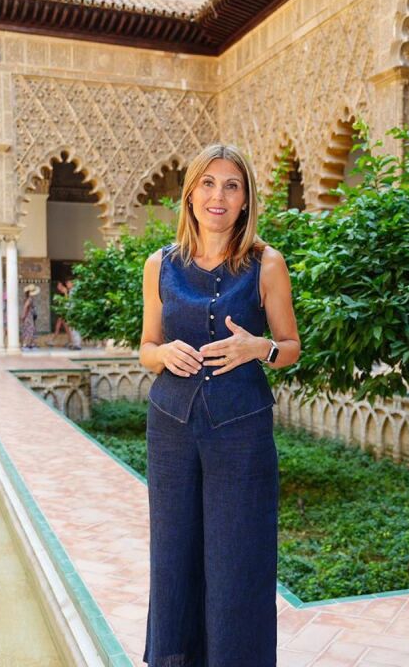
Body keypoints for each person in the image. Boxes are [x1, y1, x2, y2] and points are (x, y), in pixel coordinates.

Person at [138, 144, 300, 666]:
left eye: (232, 186)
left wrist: (259, 348)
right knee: (174, 553)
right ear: (190, 195)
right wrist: (163, 353)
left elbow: (290, 347)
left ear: (246, 199)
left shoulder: (267, 264)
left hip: (241, 431)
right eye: (208, 183)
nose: (219, 196)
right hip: (171, 427)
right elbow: (145, 348)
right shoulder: (159, 265)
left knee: (239, 555)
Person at [21, 284, 39, 350]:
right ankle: (25, 345)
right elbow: (25, 307)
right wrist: (23, 315)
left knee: (30, 330)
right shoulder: (29, 299)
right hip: (28, 317)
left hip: (30, 317)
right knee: (29, 331)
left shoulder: (29, 299)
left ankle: (30, 344)